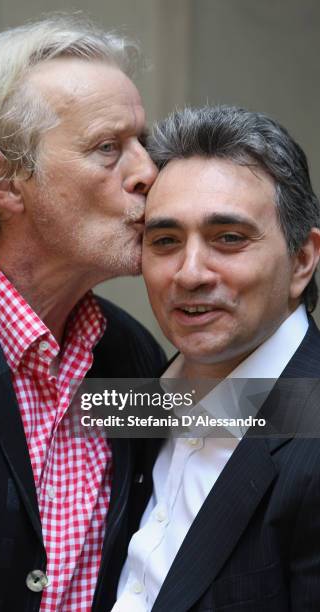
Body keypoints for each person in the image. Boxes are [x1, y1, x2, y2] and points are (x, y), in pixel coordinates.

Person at [0, 15, 166, 612]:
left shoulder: (127, 353)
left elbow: (256, 430)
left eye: (142, 143)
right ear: (4, 180)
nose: (148, 174)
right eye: (108, 148)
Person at [114, 106, 320, 611]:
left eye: (229, 238)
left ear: (302, 261)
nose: (189, 274)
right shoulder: (135, 393)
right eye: (164, 241)